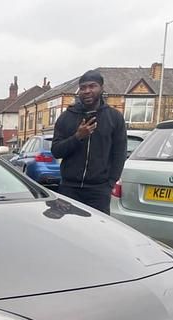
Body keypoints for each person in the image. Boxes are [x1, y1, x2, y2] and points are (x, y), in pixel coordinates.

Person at [51, 70, 126, 214]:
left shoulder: (114, 118)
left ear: (102, 88)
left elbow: (119, 153)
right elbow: (56, 151)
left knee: (96, 234)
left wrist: (110, 184)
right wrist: (77, 137)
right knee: (68, 232)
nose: (87, 91)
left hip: (98, 191)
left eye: (92, 86)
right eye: (83, 87)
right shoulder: (66, 117)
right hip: (69, 189)